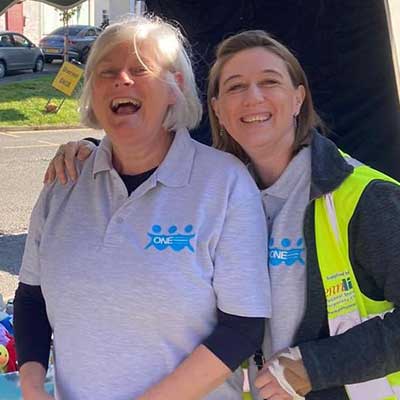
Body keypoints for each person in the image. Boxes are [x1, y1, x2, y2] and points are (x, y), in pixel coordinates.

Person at [48, 28, 400, 399]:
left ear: (298, 98)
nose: (253, 98)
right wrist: (95, 151)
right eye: (235, 87)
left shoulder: (363, 197)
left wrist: (316, 367)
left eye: (270, 82)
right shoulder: (223, 191)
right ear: (217, 109)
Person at [14, 18, 273, 400]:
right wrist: (33, 388)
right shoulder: (63, 183)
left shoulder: (225, 184)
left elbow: (242, 327)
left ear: (175, 87)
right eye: (107, 72)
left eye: (140, 70)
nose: (122, 80)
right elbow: (31, 299)